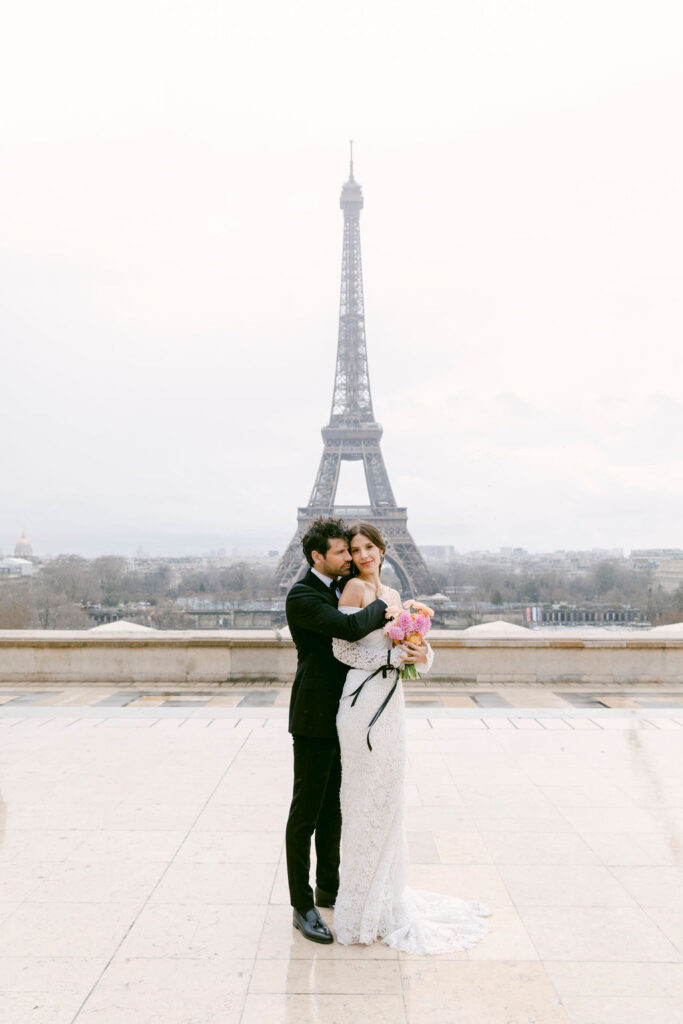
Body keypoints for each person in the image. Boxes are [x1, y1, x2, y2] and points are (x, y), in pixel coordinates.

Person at [332, 522, 492, 953]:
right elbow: (342, 650)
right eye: (354, 549)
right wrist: (389, 655)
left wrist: (420, 653)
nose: (363, 555)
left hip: (391, 704)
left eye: (369, 547)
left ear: (383, 549)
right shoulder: (353, 593)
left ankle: (383, 901)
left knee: (387, 800)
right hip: (362, 705)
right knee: (364, 800)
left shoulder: (395, 597)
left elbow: (410, 652)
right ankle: (359, 904)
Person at [284, 516, 423, 944]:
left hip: (352, 711)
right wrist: (391, 608)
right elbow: (346, 632)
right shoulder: (303, 595)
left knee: (335, 807)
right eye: (343, 552)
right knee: (305, 810)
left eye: (354, 550)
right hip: (315, 712)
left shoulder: (340, 586)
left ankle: (329, 885)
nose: (350, 557)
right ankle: (301, 905)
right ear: (317, 557)